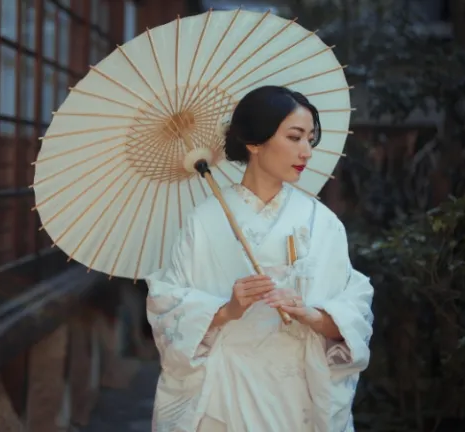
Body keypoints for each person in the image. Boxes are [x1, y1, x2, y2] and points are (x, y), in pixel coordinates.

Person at [145, 85, 374, 432]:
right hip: (226, 390)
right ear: (254, 143)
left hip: (295, 393)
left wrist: (312, 315)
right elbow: (167, 308)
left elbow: (354, 311)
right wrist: (226, 310)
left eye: (310, 139)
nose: (306, 151)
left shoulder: (321, 222)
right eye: (295, 137)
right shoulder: (205, 221)